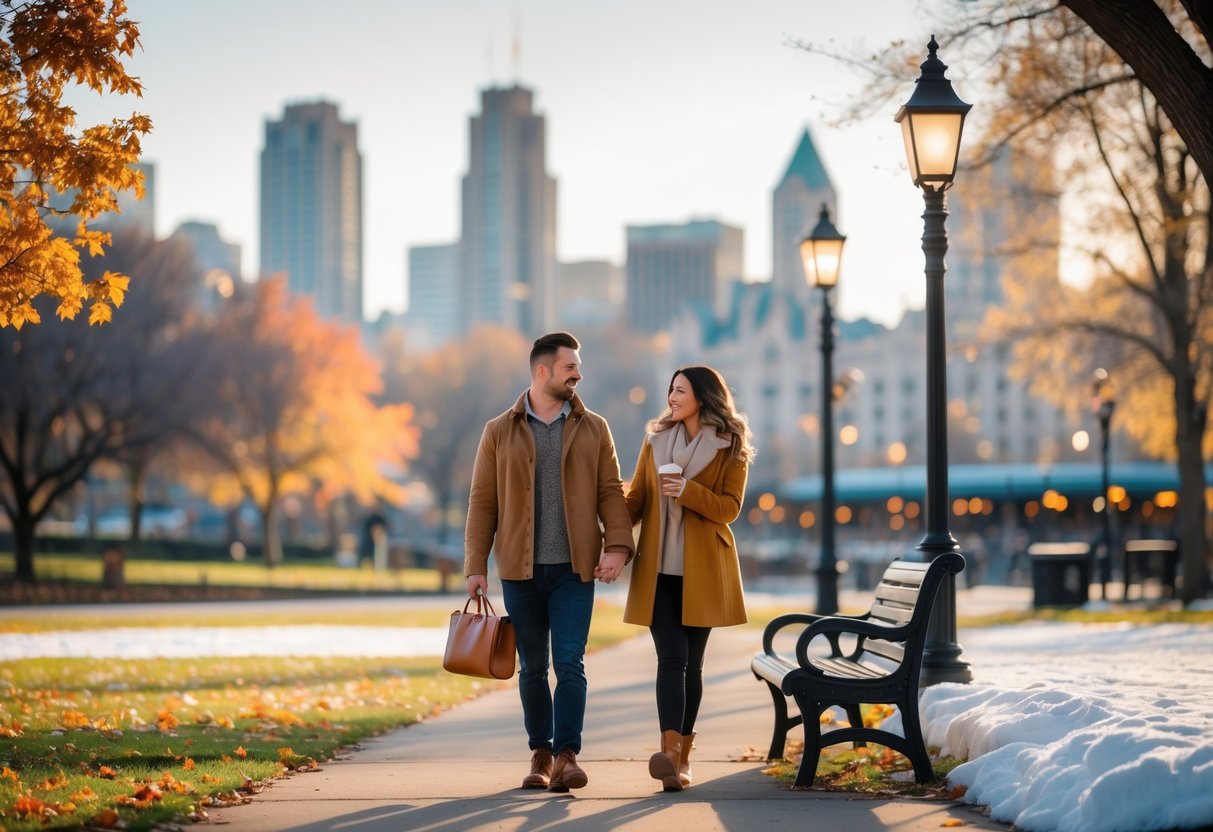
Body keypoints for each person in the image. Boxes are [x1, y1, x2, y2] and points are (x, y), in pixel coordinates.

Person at [465, 331, 634, 792]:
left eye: (577, 368)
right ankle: (540, 752)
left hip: (574, 570)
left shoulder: (594, 427)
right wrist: (475, 564)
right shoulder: (498, 430)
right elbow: (483, 502)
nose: (578, 375)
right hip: (519, 572)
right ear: (543, 371)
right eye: (570, 368)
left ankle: (567, 755)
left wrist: (617, 547)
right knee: (533, 667)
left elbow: (610, 492)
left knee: (571, 663)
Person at [611, 365, 754, 792]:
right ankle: (669, 754)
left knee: (693, 665)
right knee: (671, 657)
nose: (672, 397)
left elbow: (730, 508)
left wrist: (686, 491)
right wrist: (614, 541)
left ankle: (683, 757)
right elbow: (635, 498)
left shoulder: (730, 444)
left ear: (703, 396)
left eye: (680, 390)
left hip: (704, 569)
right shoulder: (655, 440)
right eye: (671, 390)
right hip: (658, 569)